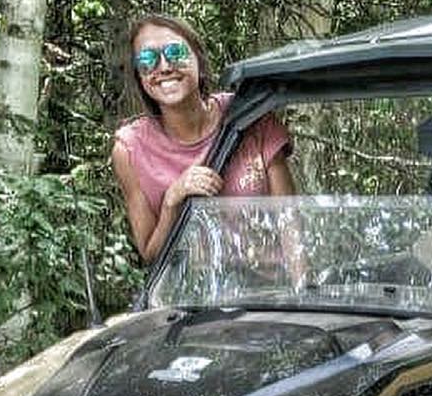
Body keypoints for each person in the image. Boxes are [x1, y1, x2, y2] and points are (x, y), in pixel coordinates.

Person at [111, 14, 296, 263]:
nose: (164, 67)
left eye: (175, 52)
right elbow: (152, 256)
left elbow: (291, 226)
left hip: (266, 293)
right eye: (147, 59)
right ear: (139, 75)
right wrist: (172, 202)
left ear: (198, 57)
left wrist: (301, 288)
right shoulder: (129, 148)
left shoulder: (250, 115)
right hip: (195, 300)